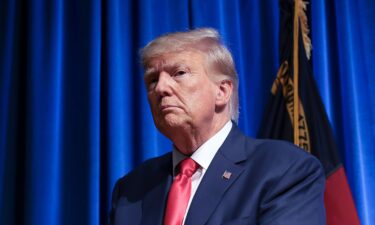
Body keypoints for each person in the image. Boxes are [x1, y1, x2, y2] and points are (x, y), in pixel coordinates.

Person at [108, 28, 326, 225]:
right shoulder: (131, 189)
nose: (161, 88)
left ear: (222, 91)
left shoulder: (285, 169)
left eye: (179, 73)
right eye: (153, 80)